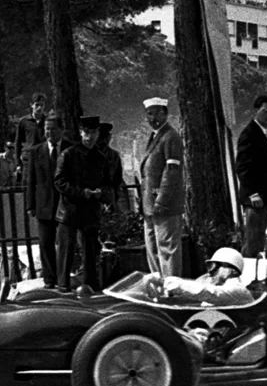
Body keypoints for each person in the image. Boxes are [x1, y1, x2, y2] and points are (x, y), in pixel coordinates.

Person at [54, 115, 109, 291]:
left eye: (93, 132)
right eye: (86, 132)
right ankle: (63, 287)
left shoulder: (101, 157)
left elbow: (109, 182)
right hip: (70, 211)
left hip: (90, 210)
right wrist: (80, 192)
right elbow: (59, 181)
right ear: (80, 132)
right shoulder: (68, 155)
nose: (90, 136)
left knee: (90, 253)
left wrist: (102, 192)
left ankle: (90, 287)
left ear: (98, 133)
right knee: (66, 252)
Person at [138, 96, 185, 276]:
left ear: (166, 114)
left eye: (157, 114)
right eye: (149, 114)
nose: (152, 118)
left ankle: (172, 288)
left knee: (167, 248)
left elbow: (172, 172)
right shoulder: (154, 136)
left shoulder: (170, 137)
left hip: (164, 205)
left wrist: (161, 201)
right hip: (150, 206)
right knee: (153, 249)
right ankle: (159, 285)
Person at [234, 94, 267, 257]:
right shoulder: (249, 134)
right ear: (256, 110)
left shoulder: (263, 133)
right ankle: (245, 275)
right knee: (253, 240)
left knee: (258, 239)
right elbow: (242, 167)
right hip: (256, 199)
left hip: (265, 198)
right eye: (266, 112)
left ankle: (253, 275)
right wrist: (253, 194)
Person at [24, 113, 65, 287]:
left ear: (62, 130)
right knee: (45, 243)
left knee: (65, 243)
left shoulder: (70, 149)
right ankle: (50, 279)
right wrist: (30, 205)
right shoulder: (36, 151)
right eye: (47, 129)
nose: (50, 133)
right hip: (44, 204)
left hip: (65, 205)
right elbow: (31, 180)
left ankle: (64, 277)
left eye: (53, 129)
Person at [141, 247, 256, 308]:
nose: (211, 272)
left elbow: (203, 291)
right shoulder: (222, 288)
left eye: (215, 267)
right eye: (209, 267)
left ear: (230, 270)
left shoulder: (238, 290)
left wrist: (162, 282)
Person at [95, 121, 129, 220]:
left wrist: (116, 194)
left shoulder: (114, 155)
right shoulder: (89, 154)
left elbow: (118, 177)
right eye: (101, 138)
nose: (104, 141)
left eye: (106, 137)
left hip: (110, 193)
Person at [14, 93, 49, 161]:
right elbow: (18, 143)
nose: (39, 108)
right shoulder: (24, 121)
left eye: (42, 105)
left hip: (44, 158)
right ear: (31, 105)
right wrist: (18, 162)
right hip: (28, 158)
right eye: (37, 105)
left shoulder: (48, 121)